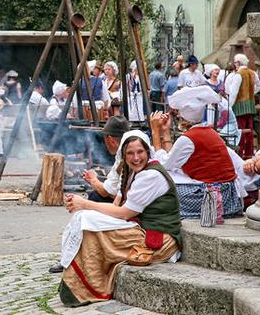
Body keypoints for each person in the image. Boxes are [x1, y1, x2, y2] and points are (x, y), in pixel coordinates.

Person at [58, 131, 181, 307]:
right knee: (86, 219)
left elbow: (124, 213)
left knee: (93, 231)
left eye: (140, 152)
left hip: (162, 239)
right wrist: (83, 206)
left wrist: (84, 204)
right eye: (130, 153)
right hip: (144, 228)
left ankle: (88, 288)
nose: (136, 157)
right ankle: (79, 281)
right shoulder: (132, 173)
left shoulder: (151, 175)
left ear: (148, 152)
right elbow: (117, 206)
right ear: (123, 155)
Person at [48, 116, 131, 274]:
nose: (135, 157)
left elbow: (109, 193)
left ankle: (76, 256)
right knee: (92, 200)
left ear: (110, 140)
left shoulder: (127, 158)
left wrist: (93, 182)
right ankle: (73, 255)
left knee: (91, 203)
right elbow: (115, 192)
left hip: (131, 211)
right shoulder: (121, 157)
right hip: (126, 203)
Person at [149, 86, 244, 218]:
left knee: (159, 185)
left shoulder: (189, 139)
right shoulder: (210, 132)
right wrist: (165, 132)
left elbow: (164, 165)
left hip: (214, 196)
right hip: (229, 195)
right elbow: (173, 160)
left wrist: (155, 132)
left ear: (183, 117)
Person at [227, 53, 260, 159]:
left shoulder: (238, 74)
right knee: (249, 129)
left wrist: (229, 106)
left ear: (239, 62)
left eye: (235, 62)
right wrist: (251, 93)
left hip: (239, 105)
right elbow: (258, 86)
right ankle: (249, 153)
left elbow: (234, 92)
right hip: (250, 104)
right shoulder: (252, 73)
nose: (235, 64)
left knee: (240, 130)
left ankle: (240, 153)